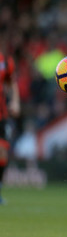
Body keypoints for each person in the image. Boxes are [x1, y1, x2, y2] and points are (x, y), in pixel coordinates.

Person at [0, 51, 21, 205]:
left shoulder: (5, 61)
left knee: (3, 153)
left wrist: (15, 101)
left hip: (1, 115)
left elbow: (11, 82)